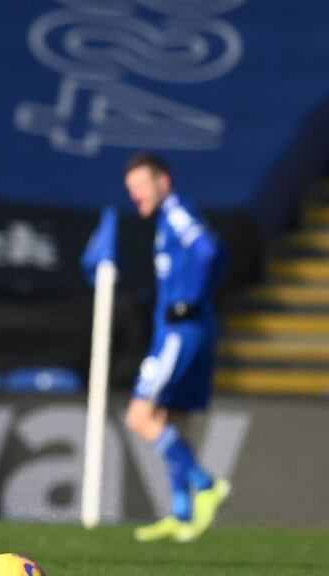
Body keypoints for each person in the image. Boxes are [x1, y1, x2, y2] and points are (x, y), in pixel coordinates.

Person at [122, 152, 231, 543]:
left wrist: (191, 300)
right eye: (130, 191)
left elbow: (207, 249)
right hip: (196, 328)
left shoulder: (177, 212)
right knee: (170, 419)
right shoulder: (171, 217)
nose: (135, 197)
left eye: (140, 187)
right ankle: (182, 513)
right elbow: (220, 253)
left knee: (139, 414)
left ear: (163, 181)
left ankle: (205, 485)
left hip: (180, 331)